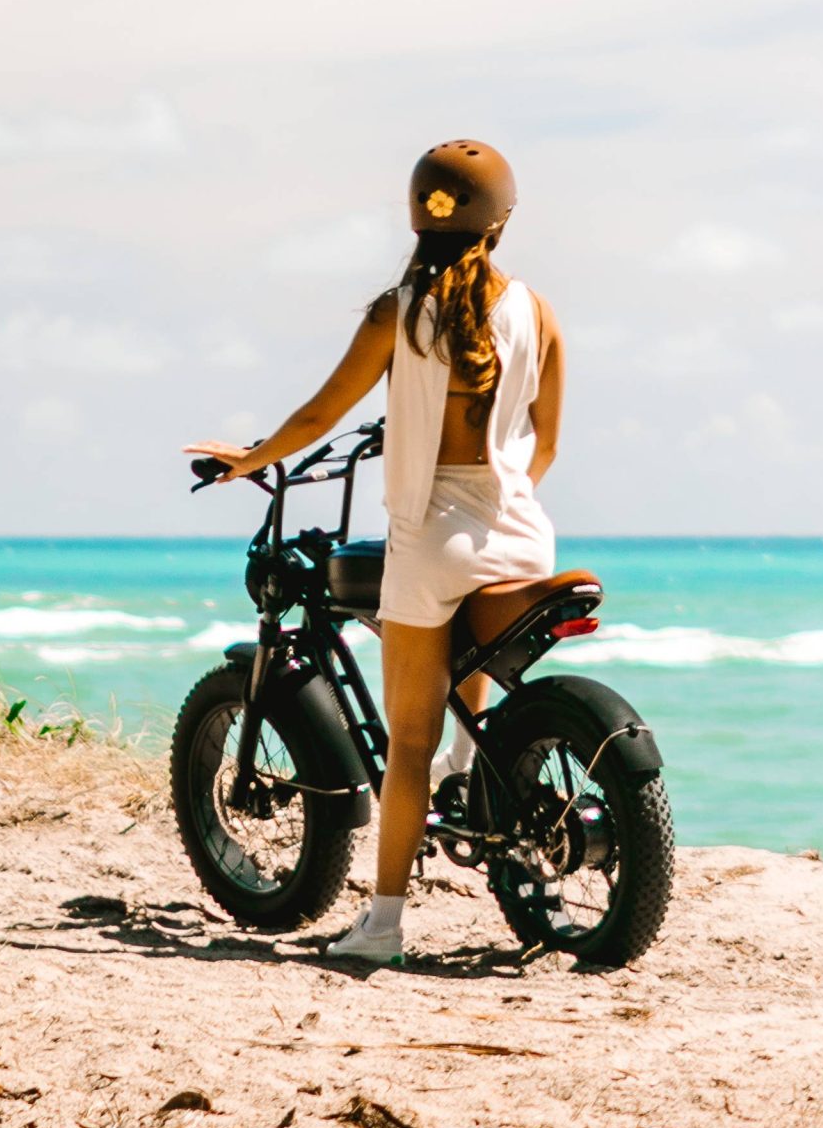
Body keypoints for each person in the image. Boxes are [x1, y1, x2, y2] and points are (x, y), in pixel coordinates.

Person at [181, 140, 566, 964]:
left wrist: (246, 460)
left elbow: (320, 416)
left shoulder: (399, 311)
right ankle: (474, 770)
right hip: (524, 532)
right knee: (460, 672)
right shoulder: (537, 312)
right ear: (503, 221)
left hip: (431, 538)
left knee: (409, 741)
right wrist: (502, 493)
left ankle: (383, 926)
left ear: (415, 215)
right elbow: (546, 444)